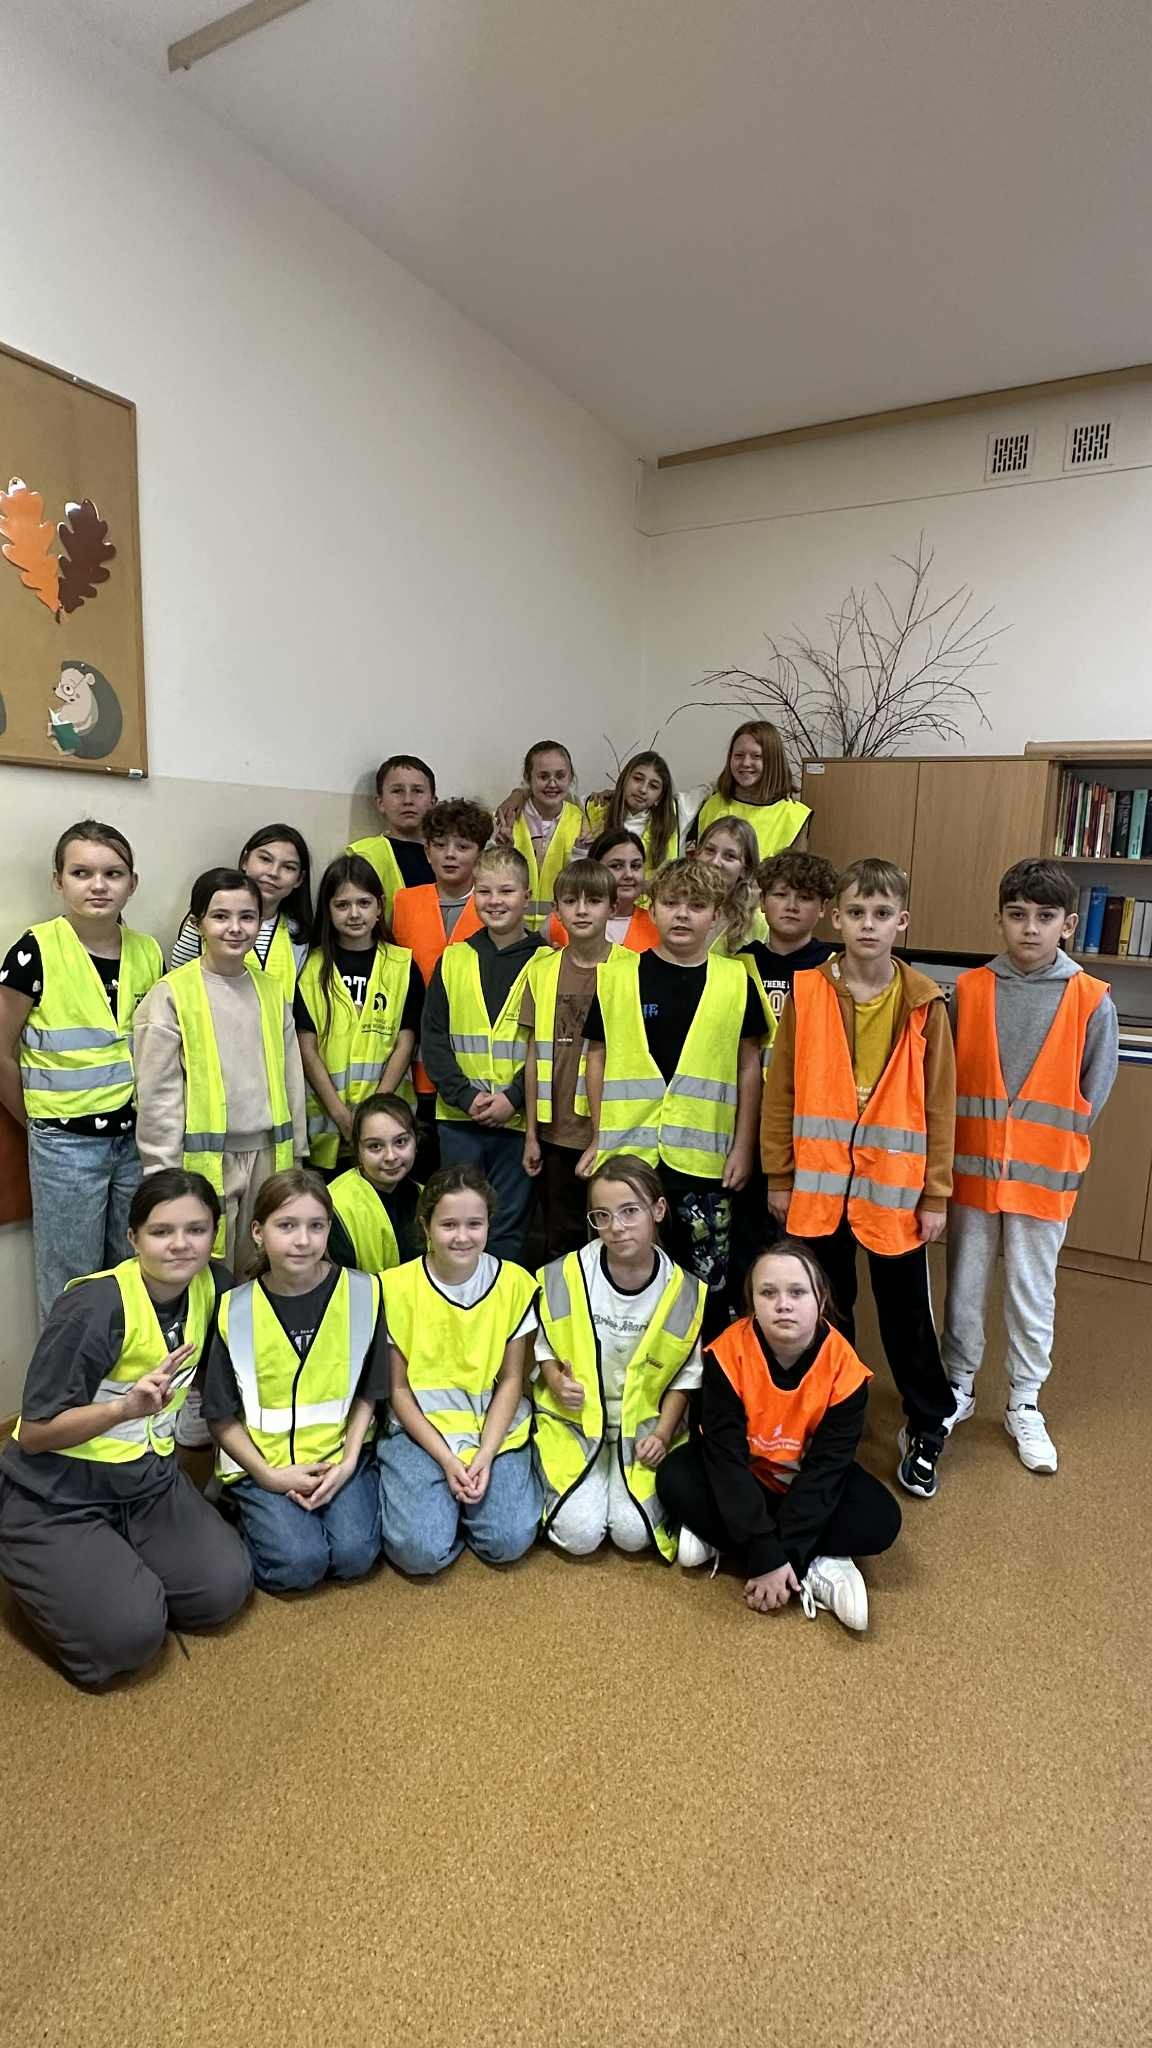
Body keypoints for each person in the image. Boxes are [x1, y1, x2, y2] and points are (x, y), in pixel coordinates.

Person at [0, 1170, 252, 1687]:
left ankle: (112, 1564)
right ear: (133, 1237)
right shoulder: (93, 1308)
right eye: (161, 1231)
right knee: (129, 1637)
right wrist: (121, 1410)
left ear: (214, 1233)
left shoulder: (214, 1285)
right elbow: (35, 1433)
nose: (180, 1244)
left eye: (196, 1230)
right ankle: (33, 1555)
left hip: (148, 1481)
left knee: (223, 1590)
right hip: (58, 1494)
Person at [762, 858, 957, 1500]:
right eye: (856, 913)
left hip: (893, 1191)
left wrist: (936, 1193)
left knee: (906, 1316)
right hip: (818, 1188)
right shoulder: (809, 991)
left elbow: (939, 1106)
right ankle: (833, 1412)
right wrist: (779, 1174)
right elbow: (782, 1091)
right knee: (828, 1306)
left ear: (902, 921)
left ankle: (928, 1422)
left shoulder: (925, 1003)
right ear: (837, 919)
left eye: (881, 914)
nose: (868, 925)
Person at [941, 858, 1119, 1473]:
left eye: (1045, 917)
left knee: (1031, 1291)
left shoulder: (1091, 1000)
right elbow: (949, 1077)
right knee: (964, 1286)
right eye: (1017, 915)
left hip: (1043, 1177)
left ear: (1067, 924)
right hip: (971, 1171)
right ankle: (957, 1385)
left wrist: (1039, 1146)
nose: (1030, 928)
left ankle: (1024, 1400)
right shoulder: (969, 991)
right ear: (999, 919)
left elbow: (1092, 1093)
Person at [656, 1241, 901, 1633]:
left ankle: (756, 1549)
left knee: (882, 1519)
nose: (783, 1304)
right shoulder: (727, 1354)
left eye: (797, 1292)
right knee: (674, 1478)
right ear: (752, 1303)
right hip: (745, 1474)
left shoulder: (845, 1371)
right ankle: (809, 1558)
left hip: (802, 1481)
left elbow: (826, 1470)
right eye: (768, 1293)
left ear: (821, 1300)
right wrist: (767, 1552)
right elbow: (725, 1459)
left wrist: (775, 1556)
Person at [581, 857, 765, 1339]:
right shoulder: (616, 976)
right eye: (671, 903)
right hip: (628, 1157)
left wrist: (743, 1146)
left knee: (706, 1286)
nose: (682, 914)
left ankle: (704, 1378)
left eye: (697, 905)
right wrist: (599, 1136)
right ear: (652, 908)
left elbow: (749, 1066)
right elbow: (596, 1057)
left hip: (706, 1163)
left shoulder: (736, 980)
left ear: (716, 914)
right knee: (626, 1278)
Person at [0, 819, 163, 1318]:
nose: (98, 885)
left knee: (134, 1272)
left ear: (132, 883)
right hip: (65, 1144)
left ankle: (124, 1369)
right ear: (58, 881)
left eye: (113, 873)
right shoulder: (35, 950)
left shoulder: (148, 951)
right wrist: (39, 1122)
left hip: (135, 1142)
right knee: (70, 1280)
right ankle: (67, 1373)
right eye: (81, 872)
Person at [203, 1169, 384, 1591]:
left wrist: (349, 1462)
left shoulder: (364, 1292)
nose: (303, 1240)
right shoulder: (233, 1309)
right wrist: (269, 1476)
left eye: (316, 1226)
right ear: (258, 1232)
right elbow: (221, 1416)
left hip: (339, 1458)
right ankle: (237, 1514)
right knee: (299, 1565)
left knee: (355, 1556)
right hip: (264, 1464)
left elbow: (369, 1393)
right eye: (287, 1226)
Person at [134, 868, 306, 1266]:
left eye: (247, 917)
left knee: (262, 1266)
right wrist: (162, 1173)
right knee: (207, 1272)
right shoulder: (171, 995)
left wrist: (297, 1153)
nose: (235, 928)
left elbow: (292, 1079)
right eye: (220, 916)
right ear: (198, 924)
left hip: (269, 1156)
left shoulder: (271, 991)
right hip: (204, 1164)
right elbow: (158, 1097)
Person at [534, 1156, 705, 1558]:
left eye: (630, 1211)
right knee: (578, 1536)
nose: (616, 1227)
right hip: (577, 1422)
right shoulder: (563, 1275)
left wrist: (663, 1434)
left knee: (633, 1534)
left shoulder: (684, 1291)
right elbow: (544, 1349)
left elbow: (685, 1377)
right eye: (602, 1215)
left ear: (658, 1210)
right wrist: (556, 1381)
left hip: (642, 1428)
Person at [376, 1166, 541, 1575]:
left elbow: (513, 1380)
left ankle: (463, 1506)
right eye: (448, 1224)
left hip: (492, 1430)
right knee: (419, 1552)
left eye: (474, 1224)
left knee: (508, 1541)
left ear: (489, 1224)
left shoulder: (514, 1283)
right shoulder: (394, 1288)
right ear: (425, 1226)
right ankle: (435, 1503)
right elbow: (398, 1391)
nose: (462, 1236)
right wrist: (448, 1461)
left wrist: (484, 1455)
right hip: (420, 1433)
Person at [420, 846, 547, 1259]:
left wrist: (513, 1098)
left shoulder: (548, 963)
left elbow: (552, 1048)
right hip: (460, 1120)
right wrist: (465, 1095)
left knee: (507, 1229)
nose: (495, 901)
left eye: (506, 891)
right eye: (485, 891)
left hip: (519, 1124)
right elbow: (434, 1037)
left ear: (527, 896)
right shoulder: (454, 959)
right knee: (458, 1226)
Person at [522, 861, 625, 1259]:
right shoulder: (541, 970)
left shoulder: (633, 968)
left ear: (613, 907)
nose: (582, 910)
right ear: (556, 910)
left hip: (614, 1133)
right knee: (560, 1240)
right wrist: (531, 1134)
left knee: (612, 1238)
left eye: (594, 901)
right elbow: (533, 1055)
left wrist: (606, 1134)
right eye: (570, 901)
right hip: (555, 1134)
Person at [294, 854, 422, 1173]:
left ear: (379, 907)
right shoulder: (310, 969)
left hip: (390, 1129)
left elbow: (406, 1042)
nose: (354, 914)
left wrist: (373, 1116)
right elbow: (307, 1048)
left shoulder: (402, 965)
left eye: (364, 903)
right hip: (327, 1127)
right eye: (342, 905)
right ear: (328, 909)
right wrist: (341, 1115)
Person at [391, 797, 491, 1163]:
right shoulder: (404, 902)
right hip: (410, 1054)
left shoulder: (492, 906)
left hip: (471, 1065)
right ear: (427, 851)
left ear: (479, 854)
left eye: (463, 846)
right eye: (440, 844)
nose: (450, 854)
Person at [170, 822, 313, 1005]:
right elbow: (177, 989)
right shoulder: (205, 923)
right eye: (265, 859)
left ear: (299, 879)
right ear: (245, 861)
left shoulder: (298, 934)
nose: (273, 872)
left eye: (289, 867)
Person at [741, 849, 839, 1034]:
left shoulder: (835, 968)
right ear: (762, 901)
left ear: (822, 907)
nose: (791, 906)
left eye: (805, 897)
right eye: (780, 895)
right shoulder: (741, 964)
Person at [684, 720, 810, 859]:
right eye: (739, 755)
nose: (745, 763)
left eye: (756, 756)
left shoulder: (794, 816)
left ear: (773, 761)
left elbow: (795, 871)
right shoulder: (711, 804)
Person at [327, 1093, 422, 1271]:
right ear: (357, 1150)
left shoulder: (426, 1196)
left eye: (400, 1142)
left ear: (416, 1141)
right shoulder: (334, 1205)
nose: (391, 1156)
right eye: (375, 1146)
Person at [499, 740, 584, 929]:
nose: (552, 783)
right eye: (543, 776)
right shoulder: (508, 817)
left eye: (560, 776)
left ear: (571, 777)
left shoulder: (581, 820)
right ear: (528, 778)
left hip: (560, 929)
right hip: (512, 928)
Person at [347, 754, 437, 914]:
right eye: (397, 791)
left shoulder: (451, 854)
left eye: (417, 791)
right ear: (380, 803)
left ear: (433, 802)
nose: (408, 800)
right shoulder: (364, 855)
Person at [546, 829, 659, 952]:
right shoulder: (558, 923)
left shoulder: (658, 925)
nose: (629, 875)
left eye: (635, 866)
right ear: (594, 869)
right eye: (616, 866)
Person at [582, 751, 679, 874]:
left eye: (653, 786)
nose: (643, 789)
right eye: (637, 779)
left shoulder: (669, 825)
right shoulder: (594, 809)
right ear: (624, 779)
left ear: (660, 797)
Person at [695, 814, 769, 952]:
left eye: (729, 856)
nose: (715, 862)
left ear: (745, 870)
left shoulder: (756, 925)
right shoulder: (671, 905)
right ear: (697, 854)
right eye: (710, 850)